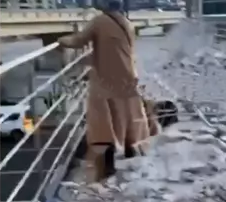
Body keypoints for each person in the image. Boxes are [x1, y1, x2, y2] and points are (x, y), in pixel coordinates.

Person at [57, 0, 159, 180]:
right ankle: (133, 156)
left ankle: (108, 168)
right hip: (128, 78)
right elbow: (115, 50)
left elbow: (77, 41)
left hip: (107, 83)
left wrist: (60, 40)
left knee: (103, 125)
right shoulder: (126, 22)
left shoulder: (99, 22)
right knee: (129, 119)